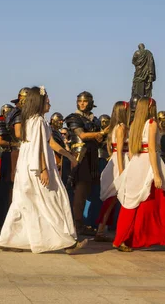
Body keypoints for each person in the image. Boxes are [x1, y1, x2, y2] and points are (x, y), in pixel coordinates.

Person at [0, 86, 87, 254]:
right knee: (52, 200)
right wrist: (44, 169)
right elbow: (38, 147)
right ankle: (66, 241)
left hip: (28, 166)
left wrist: (69, 156)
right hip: (36, 167)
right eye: (47, 102)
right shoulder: (37, 121)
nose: (49, 105)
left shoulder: (34, 121)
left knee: (24, 202)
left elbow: (51, 143)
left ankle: (10, 239)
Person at [113, 98, 165, 252]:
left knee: (133, 203)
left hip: (136, 164)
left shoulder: (134, 125)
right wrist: (156, 174)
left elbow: (133, 150)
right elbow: (152, 149)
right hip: (149, 165)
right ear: (150, 107)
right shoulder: (152, 124)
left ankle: (123, 239)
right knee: (162, 202)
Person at [65, 91, 108, 235]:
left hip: (93, 156)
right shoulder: (73, 118)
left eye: (85, 101)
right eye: (80, 101)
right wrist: (100, 134)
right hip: (79, 157)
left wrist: (102, 136)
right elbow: (82, 135)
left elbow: (99, 140)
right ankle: (77, 224)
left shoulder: (95, 120)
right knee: (80, 191)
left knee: (93, 192)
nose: (82, 103)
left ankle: (90, 222)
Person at [95, 101, 130, 242]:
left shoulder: (115, 127)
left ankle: (101, 229)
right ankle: (102, 229)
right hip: (120, 162)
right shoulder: (121, 128)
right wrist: (122, 171)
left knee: (113, 199)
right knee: (114, 197)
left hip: (116, 161)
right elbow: (120, 150)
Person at [0, 104, 14, 227]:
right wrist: (14, 143)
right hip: (2, 156)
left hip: (5, 156)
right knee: (2, 186)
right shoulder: (1, 123)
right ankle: (2, 216)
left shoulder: (5, 123)